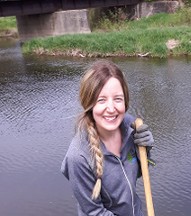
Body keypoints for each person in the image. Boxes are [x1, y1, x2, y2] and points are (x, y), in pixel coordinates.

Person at [61, 59, 154, 216]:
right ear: (89, 103)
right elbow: (94, 212)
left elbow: (136, 175)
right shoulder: (78, 157)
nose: (111, 109)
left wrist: (145, 152)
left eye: (117, 98)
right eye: (101, 100)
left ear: (125, 101)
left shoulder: (132, 127)